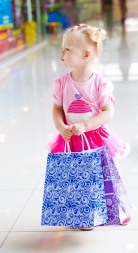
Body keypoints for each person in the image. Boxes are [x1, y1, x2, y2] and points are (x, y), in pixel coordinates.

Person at [48, 24, 131, 230]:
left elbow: (108, 112)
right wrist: (60, 126)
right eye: (63, 48)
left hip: (96, 138)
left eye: (67, 49)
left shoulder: (99, 84)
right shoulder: (62, 83)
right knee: (79, 176)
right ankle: (85, 213)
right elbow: (57, 108)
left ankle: (117, 209)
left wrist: (85, 125)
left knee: (107, 174)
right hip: (73, 138)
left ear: (85, 54)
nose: (62, 52)